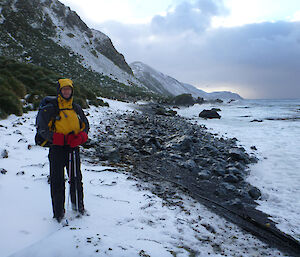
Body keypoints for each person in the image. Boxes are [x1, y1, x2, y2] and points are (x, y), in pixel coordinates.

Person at [36, 78, 89, 222]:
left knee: (76, 178)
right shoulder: (50, 108)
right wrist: (63, 139)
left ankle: (79, 208)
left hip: (73, 148)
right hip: (57, 149)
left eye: (69, 89)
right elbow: (42, 130)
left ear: (72, 91)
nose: (67, 91)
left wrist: (81, 137)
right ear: (59, 90)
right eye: (64, 89)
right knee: (57, 181)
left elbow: (85, 125)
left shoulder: (76, 108)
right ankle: (58, 214)